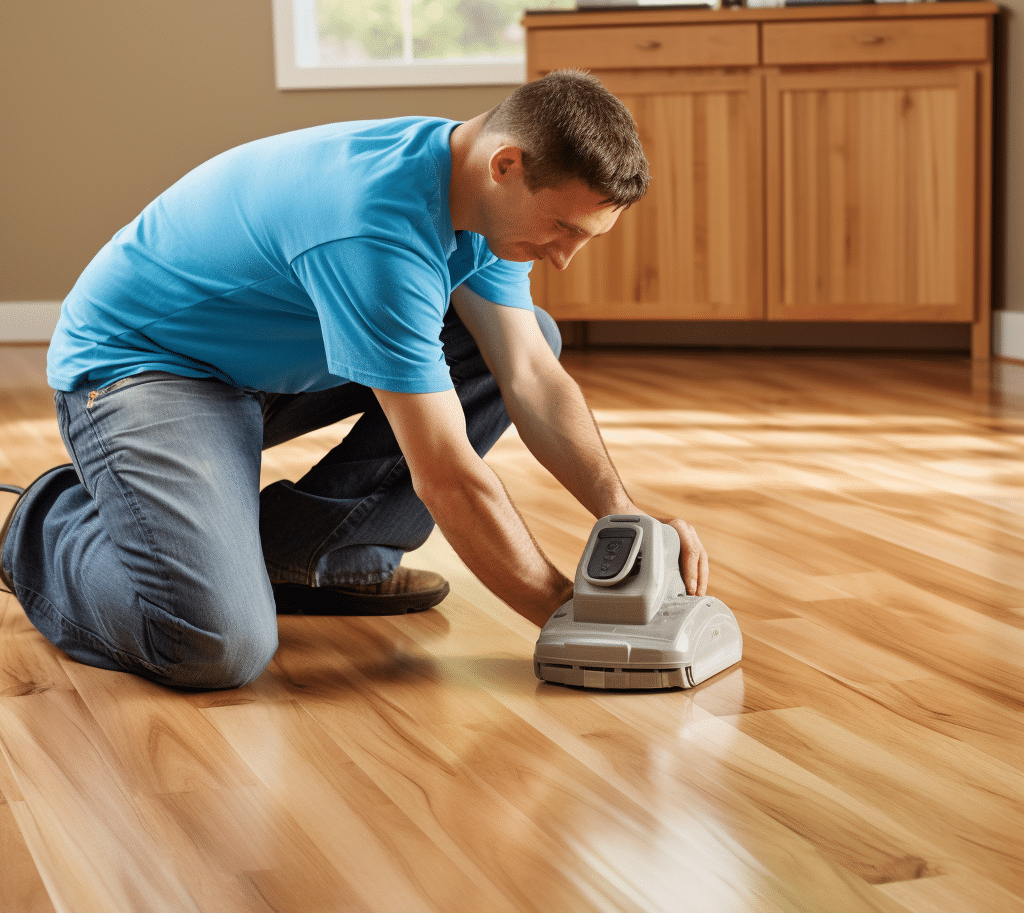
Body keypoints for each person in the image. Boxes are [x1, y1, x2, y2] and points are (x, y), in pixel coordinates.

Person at [0, 69, 708, 691]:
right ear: (507, 164)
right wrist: (573, 616)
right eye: (562, 229)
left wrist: (626, 515)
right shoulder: (376, 229)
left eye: (584, 236)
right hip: (145, 371)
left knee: (531, 341)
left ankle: (310, 553)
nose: (563, 259)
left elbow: (530, 376)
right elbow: (448, 476)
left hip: (263, 360)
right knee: (213, 645)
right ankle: (41, 520)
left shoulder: (481, 198)